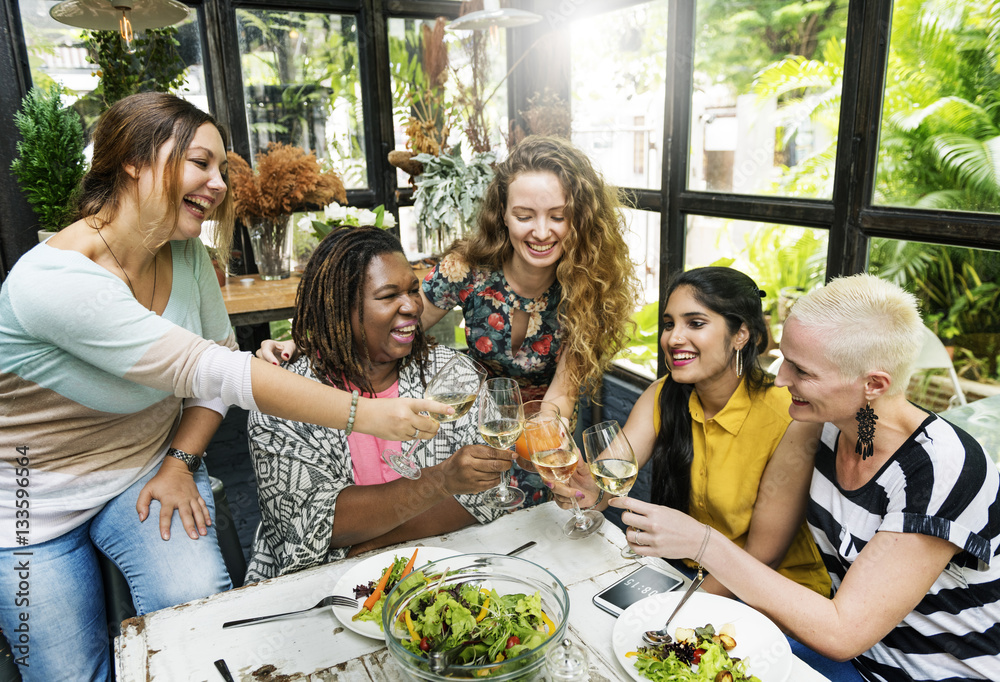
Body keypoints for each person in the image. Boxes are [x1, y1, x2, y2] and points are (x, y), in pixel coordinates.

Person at [0, 93, 453, 681]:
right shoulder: (54, 279)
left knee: (201, 614)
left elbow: (214, 372)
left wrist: (180, 461)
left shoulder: (185, 255)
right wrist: (367, 414)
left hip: (142, 471)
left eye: (220, 167)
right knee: (65, 673)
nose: (218, 183)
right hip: (32, 500)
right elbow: (214, 372)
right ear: (134, 160)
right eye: (199, 163)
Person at [614, 274, 1000, 681]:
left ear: (873, 384)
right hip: (842, 658)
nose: (781, 380)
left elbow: (842, 632)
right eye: (784, 360)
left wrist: (702, 542)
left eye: (802, 371)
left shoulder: (941, 470)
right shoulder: (823, 424)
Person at [245, 227, 510, 580]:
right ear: (339, 308)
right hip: (323, 591)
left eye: (414, 290)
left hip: (445, 573)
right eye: (389, 295)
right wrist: (440, 482)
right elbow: (313, 526)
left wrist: (372, 542)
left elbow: (482, 497)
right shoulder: (284, 396)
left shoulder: (451, 375)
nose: (412, 306)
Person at [554, 267, 830, 598]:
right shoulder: (662, 395)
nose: (673, 338)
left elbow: (763, 556)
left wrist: (677, 612)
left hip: (773, 594)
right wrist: (585, 492)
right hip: (688, 573)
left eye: (695, 323)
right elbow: (607, 481)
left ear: (741, 334)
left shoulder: (790, 415)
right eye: (669, 324)